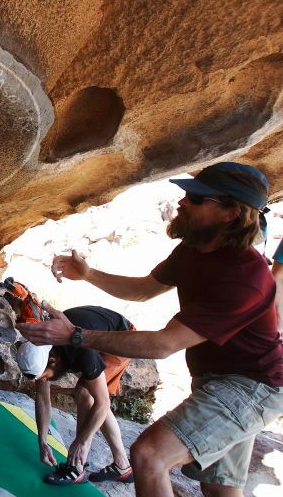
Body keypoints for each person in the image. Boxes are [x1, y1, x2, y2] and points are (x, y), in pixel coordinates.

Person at [17, 162, 283, 497]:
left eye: (197, 199)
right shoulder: (195, 248)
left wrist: (75, 335)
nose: (183, 201)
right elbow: (144, 289)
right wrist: (89, 274)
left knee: (149, 455)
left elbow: (164, 344)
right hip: (217, 380)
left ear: (230, 214)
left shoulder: (246, 278)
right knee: (219, 487)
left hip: (252, 386)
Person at [17, 305, 135, 485]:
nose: (44, 379)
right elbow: (42, 398)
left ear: (53, 360)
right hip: (91, 331)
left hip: (120, 337)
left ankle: (76, 468)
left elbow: (102, 403)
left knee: (86, 392)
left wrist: (81, 441)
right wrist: (42, 441)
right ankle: (122, 466)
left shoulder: (81, 352)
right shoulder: (42, 347)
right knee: (90, 392)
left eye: (45, 376)